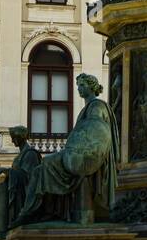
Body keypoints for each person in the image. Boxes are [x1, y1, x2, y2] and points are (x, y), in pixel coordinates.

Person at [14, 74, 120, 224]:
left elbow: (95, 133)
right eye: (78, 86)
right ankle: (44, 211)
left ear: (92, 86)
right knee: (41, 169)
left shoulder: (97, 106)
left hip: (88, 158)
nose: (79, 89)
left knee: (44, 167)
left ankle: (32, 212)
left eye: (82, 85)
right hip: (79, 156)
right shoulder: (87, 109)